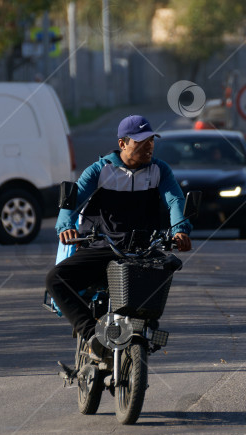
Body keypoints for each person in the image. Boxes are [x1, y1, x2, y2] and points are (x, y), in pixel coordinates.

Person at [45, 114, 192, 359]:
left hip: (143, 250)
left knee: (167, 270)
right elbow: (74, 200)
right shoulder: (100, 170)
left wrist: (180, 230)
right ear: (123, 144)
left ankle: (143, 336)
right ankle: (92, 335)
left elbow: (175, 201)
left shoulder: (159, 170)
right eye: (141, 141)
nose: (149, 147)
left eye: (151, 141)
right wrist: (65, 227)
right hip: (104, 247)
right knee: (55, 280)